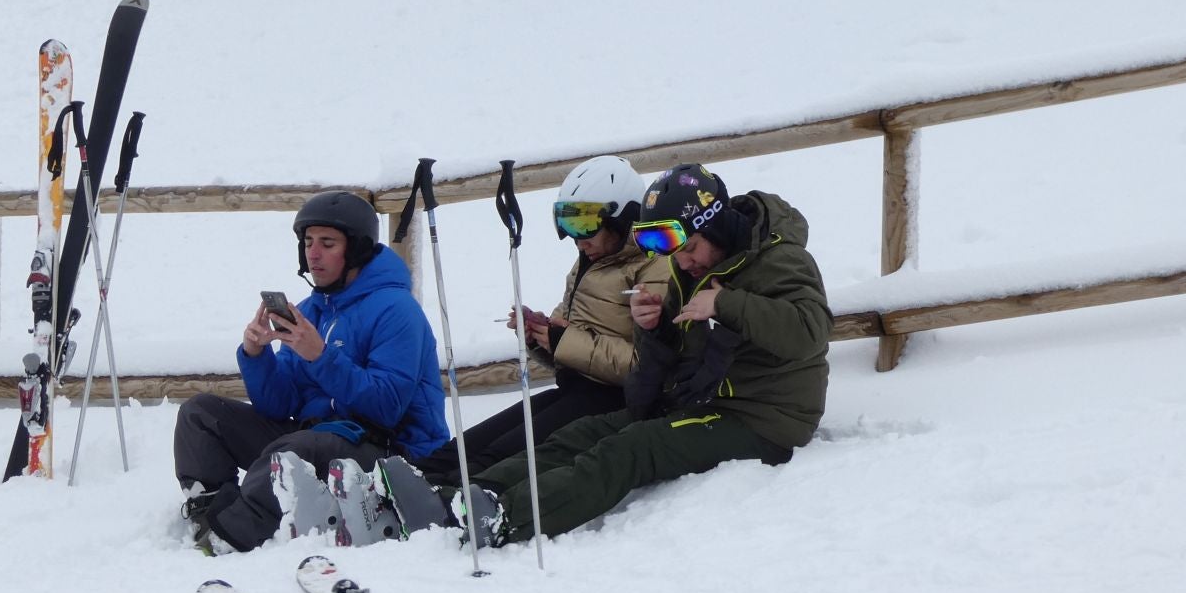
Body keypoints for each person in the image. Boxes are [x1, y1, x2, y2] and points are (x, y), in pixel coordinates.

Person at [458, 162, 830, 546]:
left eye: (689, 249)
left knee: (632, 449)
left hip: (764, 418)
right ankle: (472, 495)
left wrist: (726, 303)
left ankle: (507, 519)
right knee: (584, 432)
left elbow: (811, 332)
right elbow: (671, 358)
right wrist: (652, 328)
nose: (683, 263)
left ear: (714, 225)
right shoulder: (694, 269)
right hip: (699, 399)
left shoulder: (780, 260)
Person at [172, 190, 449, 553]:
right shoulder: (312, 310)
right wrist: (257, 355)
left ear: (357, 250)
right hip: (319, 436)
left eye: (327, 243)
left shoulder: (397, 311)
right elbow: (278, 405)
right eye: (308, 242)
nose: (313, 253)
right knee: (201, 414)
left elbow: (386, 407)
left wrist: (319, 357)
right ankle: (209, 510)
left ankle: (232, 535)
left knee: (293, 450)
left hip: (389, 450)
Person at [413, 155, 665, 482]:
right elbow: (570, 345)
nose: (577, 237)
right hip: (574, 390)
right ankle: (397, 486)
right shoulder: (590, 260)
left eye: (585, 223)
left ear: (623, 218)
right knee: (463, 448)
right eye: (566, 223)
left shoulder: (652, 268)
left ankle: (436, 508)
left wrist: (562, 340)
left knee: (497, 456)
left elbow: (647, 366)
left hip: (612, 404)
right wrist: (540, 336)